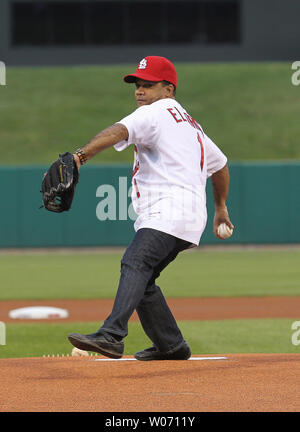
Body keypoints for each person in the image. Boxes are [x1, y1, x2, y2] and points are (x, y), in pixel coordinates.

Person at [68, 56, 234, 361]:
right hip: (188, 216)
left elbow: (118, 131)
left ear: (168, 89)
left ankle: (111, 335)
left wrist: (79, 156)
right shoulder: (189, 123)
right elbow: (220, 165)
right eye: (138, 84)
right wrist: (220, 207)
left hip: (168, 211)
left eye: (148, 84)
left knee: (135, 262)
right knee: (143, 280)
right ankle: (171, 345)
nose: (140, 91)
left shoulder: (155, 113)